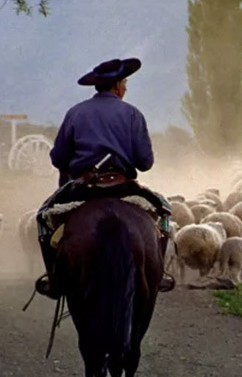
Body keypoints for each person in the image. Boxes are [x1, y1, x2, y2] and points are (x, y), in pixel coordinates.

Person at [33, 58, 175, 299]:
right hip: (122, 187)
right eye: (125, 82)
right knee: (164, 212)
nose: (126, 87)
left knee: (42, 218)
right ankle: (158, 275)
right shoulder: (132, 114)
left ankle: (55, 280)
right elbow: (145, 162)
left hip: (83, 188)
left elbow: (58, 158)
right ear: (117, 85)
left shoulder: (75, 112)